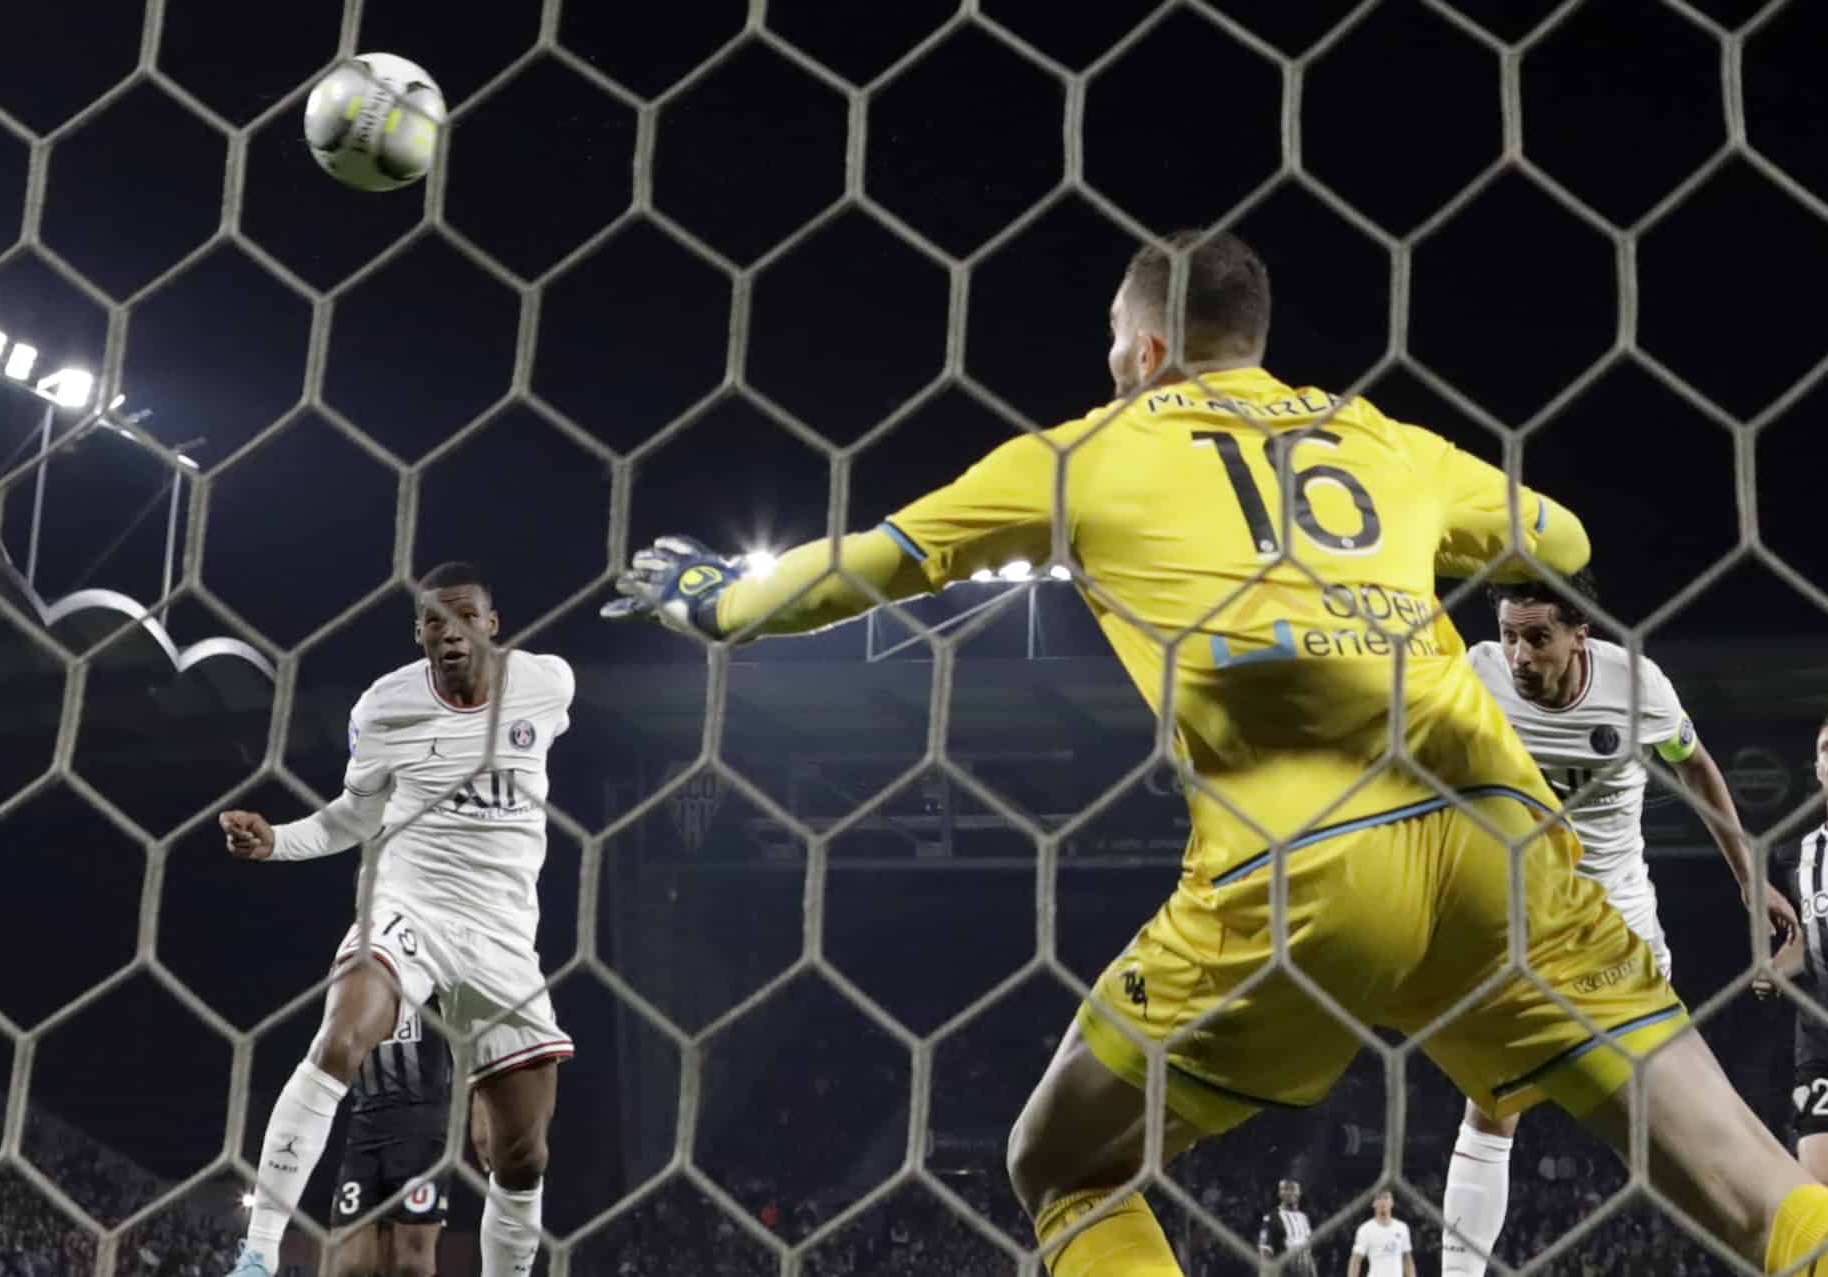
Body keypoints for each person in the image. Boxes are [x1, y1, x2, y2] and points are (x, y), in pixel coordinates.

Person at [602, 226, 1828, 1276]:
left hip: (1307, 870)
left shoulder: (1087, 450)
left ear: (1142, 351)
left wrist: (708, 599)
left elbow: (874, 564)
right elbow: (1558, 535)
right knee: (1760, 1193)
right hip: (1507, 855)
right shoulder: (1382, 440)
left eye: (1109, 347)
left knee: (1061, 1163)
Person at [219, 562, 576, 1277]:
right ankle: (256, 1254)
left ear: (491, 622)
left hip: (503, 935)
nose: (450, 632)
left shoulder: (547, 684)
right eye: (434, 621)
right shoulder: (385, 707)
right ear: (418, 633)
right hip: (408, 904)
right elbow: (354, 815)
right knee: (342, 1033)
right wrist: (278, 839)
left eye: (465, 616)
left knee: (522, 1153)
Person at [1439, 572, 1799, 1275]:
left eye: (1537, 637)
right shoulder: (1474, 674)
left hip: (1618, 935)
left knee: (1684, 1127)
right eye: (1510, 635)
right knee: (1490, 1106)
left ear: (1581, 633)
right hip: (1518, 932)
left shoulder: (1635, 686)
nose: (1518, 654)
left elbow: (1692, 763)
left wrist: (1746, 875)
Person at [329, 1005, 453, 1277]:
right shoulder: (351, 971)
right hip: (364, 1123)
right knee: (349, 1264)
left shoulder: (436, 971)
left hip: (421, 1123)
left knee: (412, 1263)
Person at [1758, 716, 1828, 1182]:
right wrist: (1775, 968)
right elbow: (1805, 937)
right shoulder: (1796, 854)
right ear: (1818, 768)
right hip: (1821, 1041)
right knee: (1818, 1197)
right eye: (1825, 749)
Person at [1258, 1179, 1318, 1276]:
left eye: (1293, 1189)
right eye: (1285, 1189)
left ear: (1299, 1192)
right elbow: (1265, 1253)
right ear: (1279, 1193)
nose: (1290, 1192)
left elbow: (1309, 1253)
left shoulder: (1304, 1218)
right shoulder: (1271, 1218)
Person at [1348, 1190, 1413, 1277]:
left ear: (1392, 1202)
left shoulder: (1402, 1228)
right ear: (1373, 1203)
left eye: (1386, 1197)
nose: (1383, 1202)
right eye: (1379, 1198)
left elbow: (1407, 1260)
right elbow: (1355, 1261)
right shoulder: (1365, 1230)